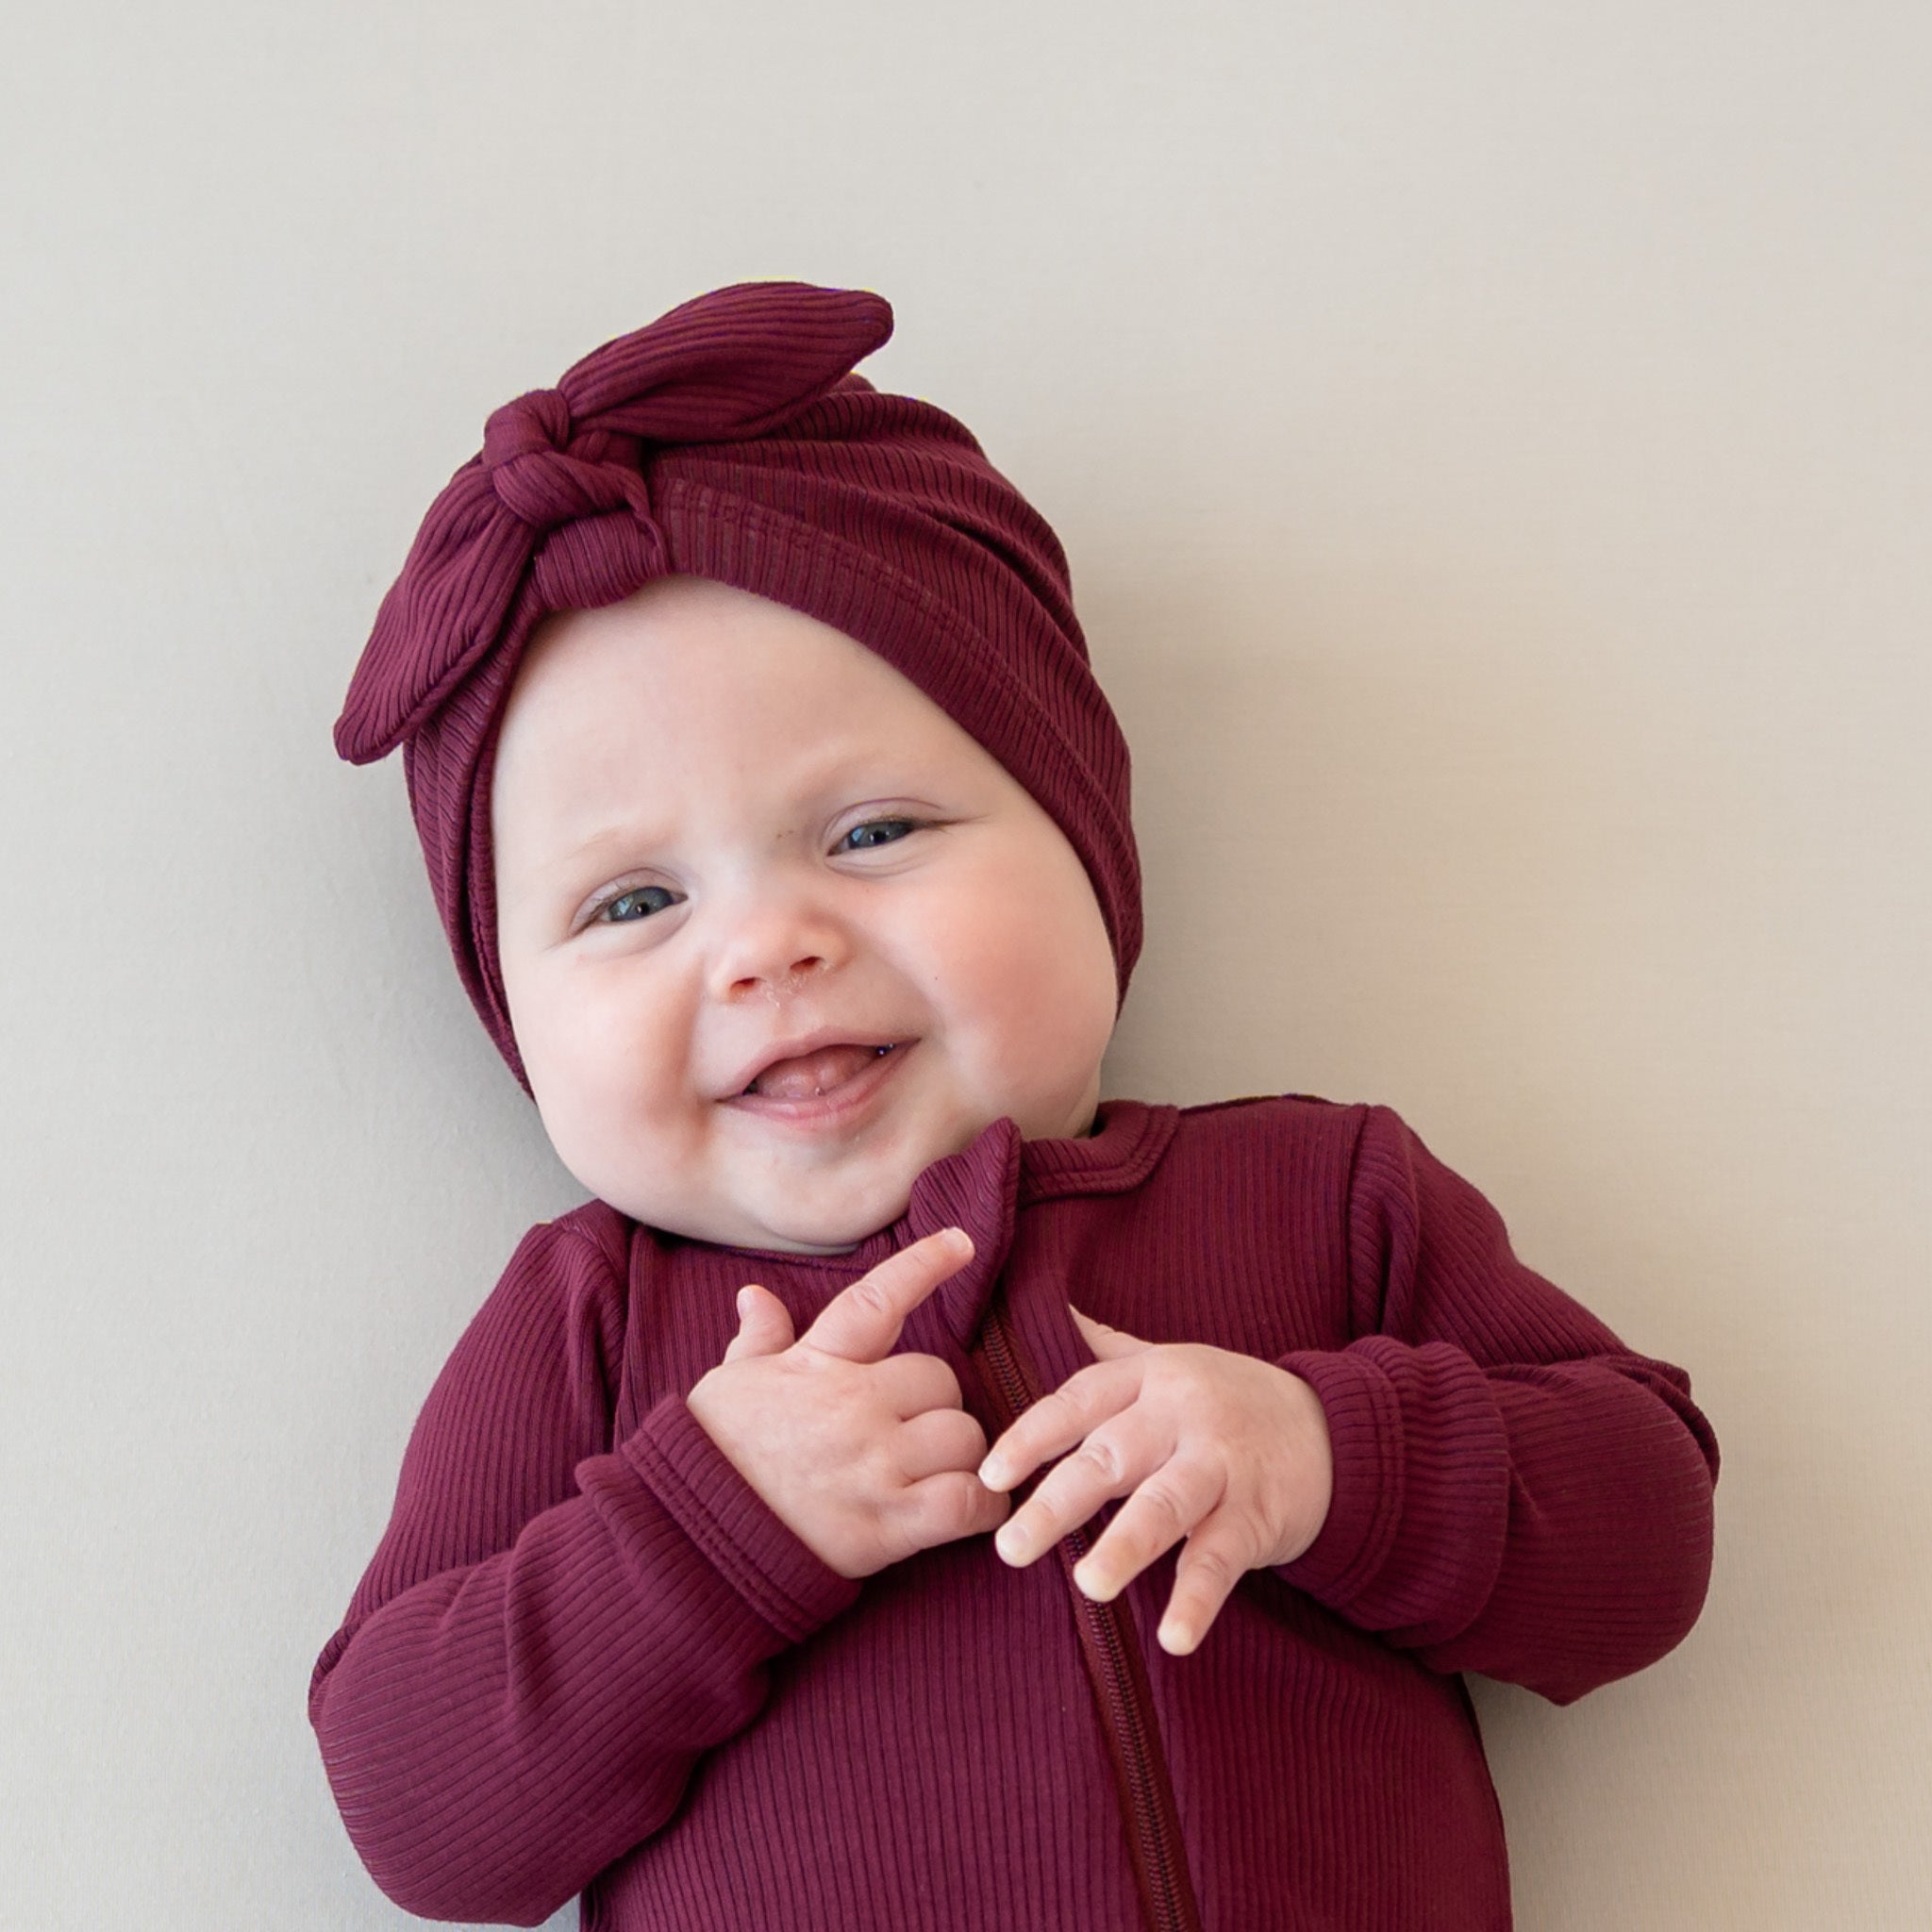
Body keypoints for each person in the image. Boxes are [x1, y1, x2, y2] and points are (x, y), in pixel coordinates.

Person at [311, 280, 1719, 1932]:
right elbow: (419, 1817)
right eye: (632, 905)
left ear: (1080, 836)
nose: (771, 947)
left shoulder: (1325, 1197)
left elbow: (1645, 1541)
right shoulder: (594, 1324)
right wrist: (706, 1530)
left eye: (870, 832)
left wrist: (1328, 1455)